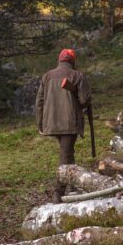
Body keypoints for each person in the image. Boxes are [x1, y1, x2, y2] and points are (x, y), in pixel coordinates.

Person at [35, 49, 91, 203]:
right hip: (69, 122)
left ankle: (72, 187)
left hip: (51, 122)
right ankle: (58, 193)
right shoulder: (78, 75)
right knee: (65, 155)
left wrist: (40, 124)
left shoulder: (47, 76)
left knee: (68, 151)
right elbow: (84, 101)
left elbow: (39, 102)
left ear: (59, 60)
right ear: (72, 61)